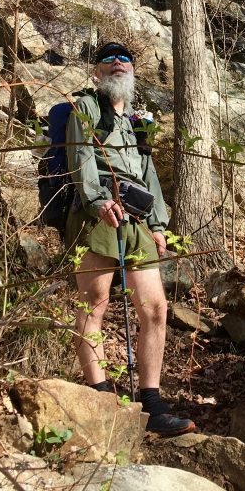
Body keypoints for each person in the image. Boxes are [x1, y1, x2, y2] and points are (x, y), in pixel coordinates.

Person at [65, 41, 195, 436]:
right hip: (99, 214)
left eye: (124, 59)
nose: (118, 63)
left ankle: (151, 403)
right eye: (108, 59)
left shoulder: (138, 122)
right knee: (95, 306)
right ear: (97, 71)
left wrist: (159, 225)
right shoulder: (84, 107)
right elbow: (80, 155)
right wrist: (98, 202)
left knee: (155, 308)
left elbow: (148, 173)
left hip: (137, 218)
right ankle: (102, 399)